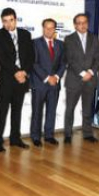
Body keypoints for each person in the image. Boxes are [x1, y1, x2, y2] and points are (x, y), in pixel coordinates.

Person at [0, 7, 34, 152]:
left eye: (11, 20)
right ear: (2, 22)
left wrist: (24, 72)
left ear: (15, 20)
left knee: (17, 111)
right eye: (5, 21)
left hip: (21, 80)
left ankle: (15, 139)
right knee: (1, 113)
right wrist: (17, 72)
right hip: (5, 81)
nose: (8, 24)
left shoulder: (25, 34)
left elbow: (31, 56)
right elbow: (1, 58)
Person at [64, 14, 99, 144]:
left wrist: (90, 72)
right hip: (74, 79)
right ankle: (68, 134)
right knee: (70, 109)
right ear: (75, 25)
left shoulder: (94, 38)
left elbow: (98, 58)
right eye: (79, 23)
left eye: (84, 22)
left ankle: (87, 133)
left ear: (88, 23)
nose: (82, 25)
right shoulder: (69, 39)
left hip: (90, 79)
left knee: (87, 108)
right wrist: (82, 73)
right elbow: (70, 59)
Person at [30, 18, 65, 147]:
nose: (49, 30)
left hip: (55, 84)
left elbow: (63, 63)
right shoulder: (34, 43)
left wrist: (56, 76)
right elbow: (34, 63)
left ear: (55, 29)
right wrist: (47, 78)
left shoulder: (61, 44)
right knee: (37, 111)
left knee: (51, 111)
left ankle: (49, 135)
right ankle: (36, 137)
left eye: (51, 28)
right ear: (43, 28)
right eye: (46, 27)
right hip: (39, 83)